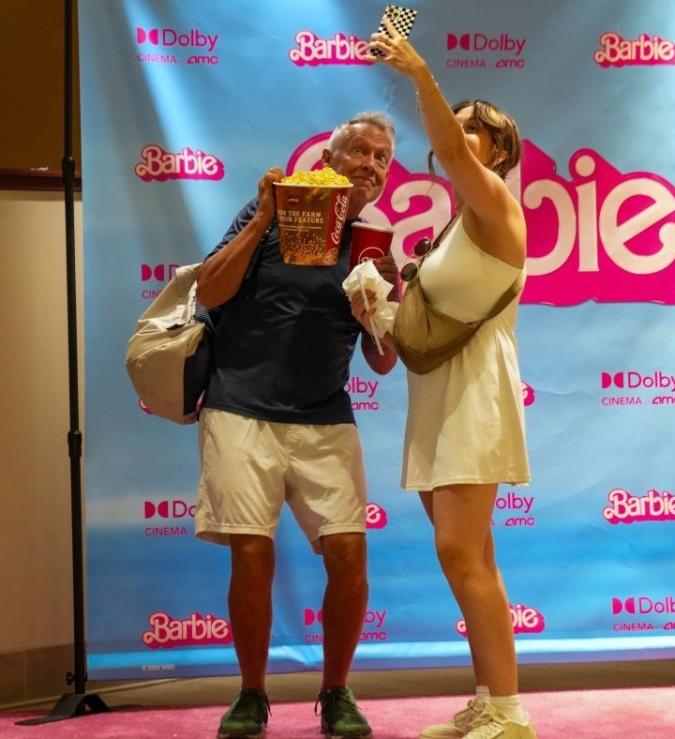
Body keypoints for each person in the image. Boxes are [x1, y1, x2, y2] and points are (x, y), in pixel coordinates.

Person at [194, 112, 399, 739]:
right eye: (359, 151)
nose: (370, 163)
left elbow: (383, 361)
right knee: (251, 554)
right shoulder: (270, 215)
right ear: (328, 159)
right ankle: (252, 695)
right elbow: (209, 290)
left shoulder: (370, 246)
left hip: (324, 415)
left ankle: (336, 692)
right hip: (239, 408)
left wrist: (385, 298)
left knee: (349, 554)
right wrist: (262, 219)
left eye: (383, 158)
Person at [359, 23, 536, 739]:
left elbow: (455, 148)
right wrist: (375, 304)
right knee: (472, 556)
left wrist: (418, 73)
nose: (456, 138)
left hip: (475, 398)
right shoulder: (452, 228)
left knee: (461, 552)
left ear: (495, 149)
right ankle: (489, 696)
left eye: (470, 130)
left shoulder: (493, 203)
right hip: (436, 396)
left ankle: (510, 712)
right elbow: (414, 338)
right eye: (453, 128)